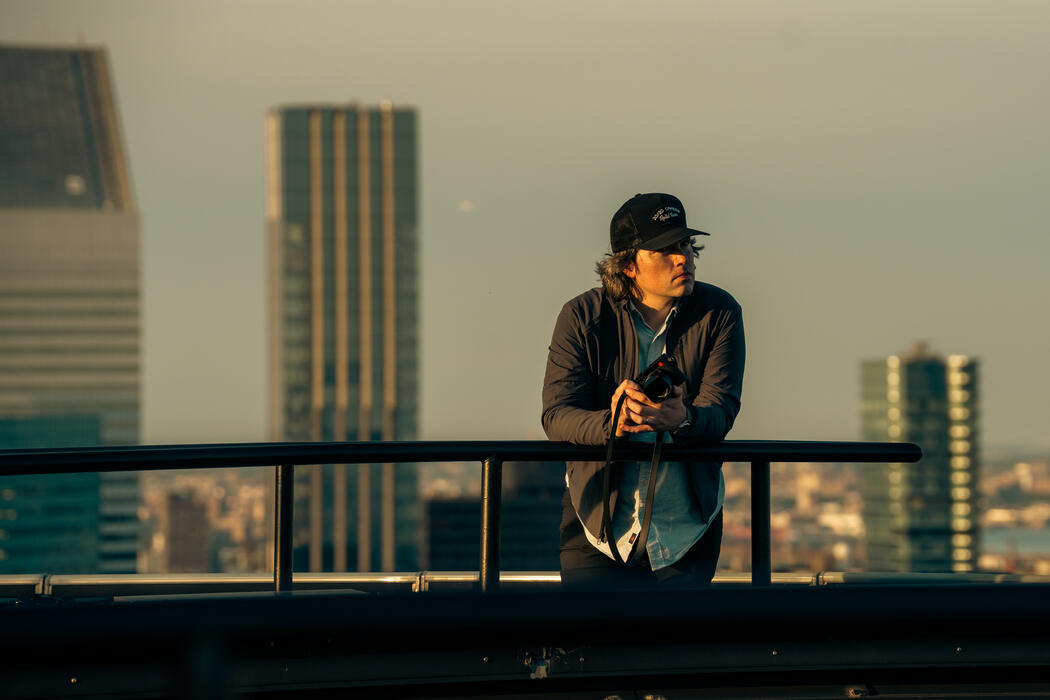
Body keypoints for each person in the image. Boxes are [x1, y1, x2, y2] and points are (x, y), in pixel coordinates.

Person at [542, 192, 745, 589]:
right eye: (665, 249)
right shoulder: (582, 316)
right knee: (593, 650)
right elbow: (556, 415)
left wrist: (683, 419)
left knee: (674, 652)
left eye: (685, 244)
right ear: (628, 264)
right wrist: (611, 422)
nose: (683, 257)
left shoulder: (719, 312)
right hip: (596, 523)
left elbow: (721, 410)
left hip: (685, 528)